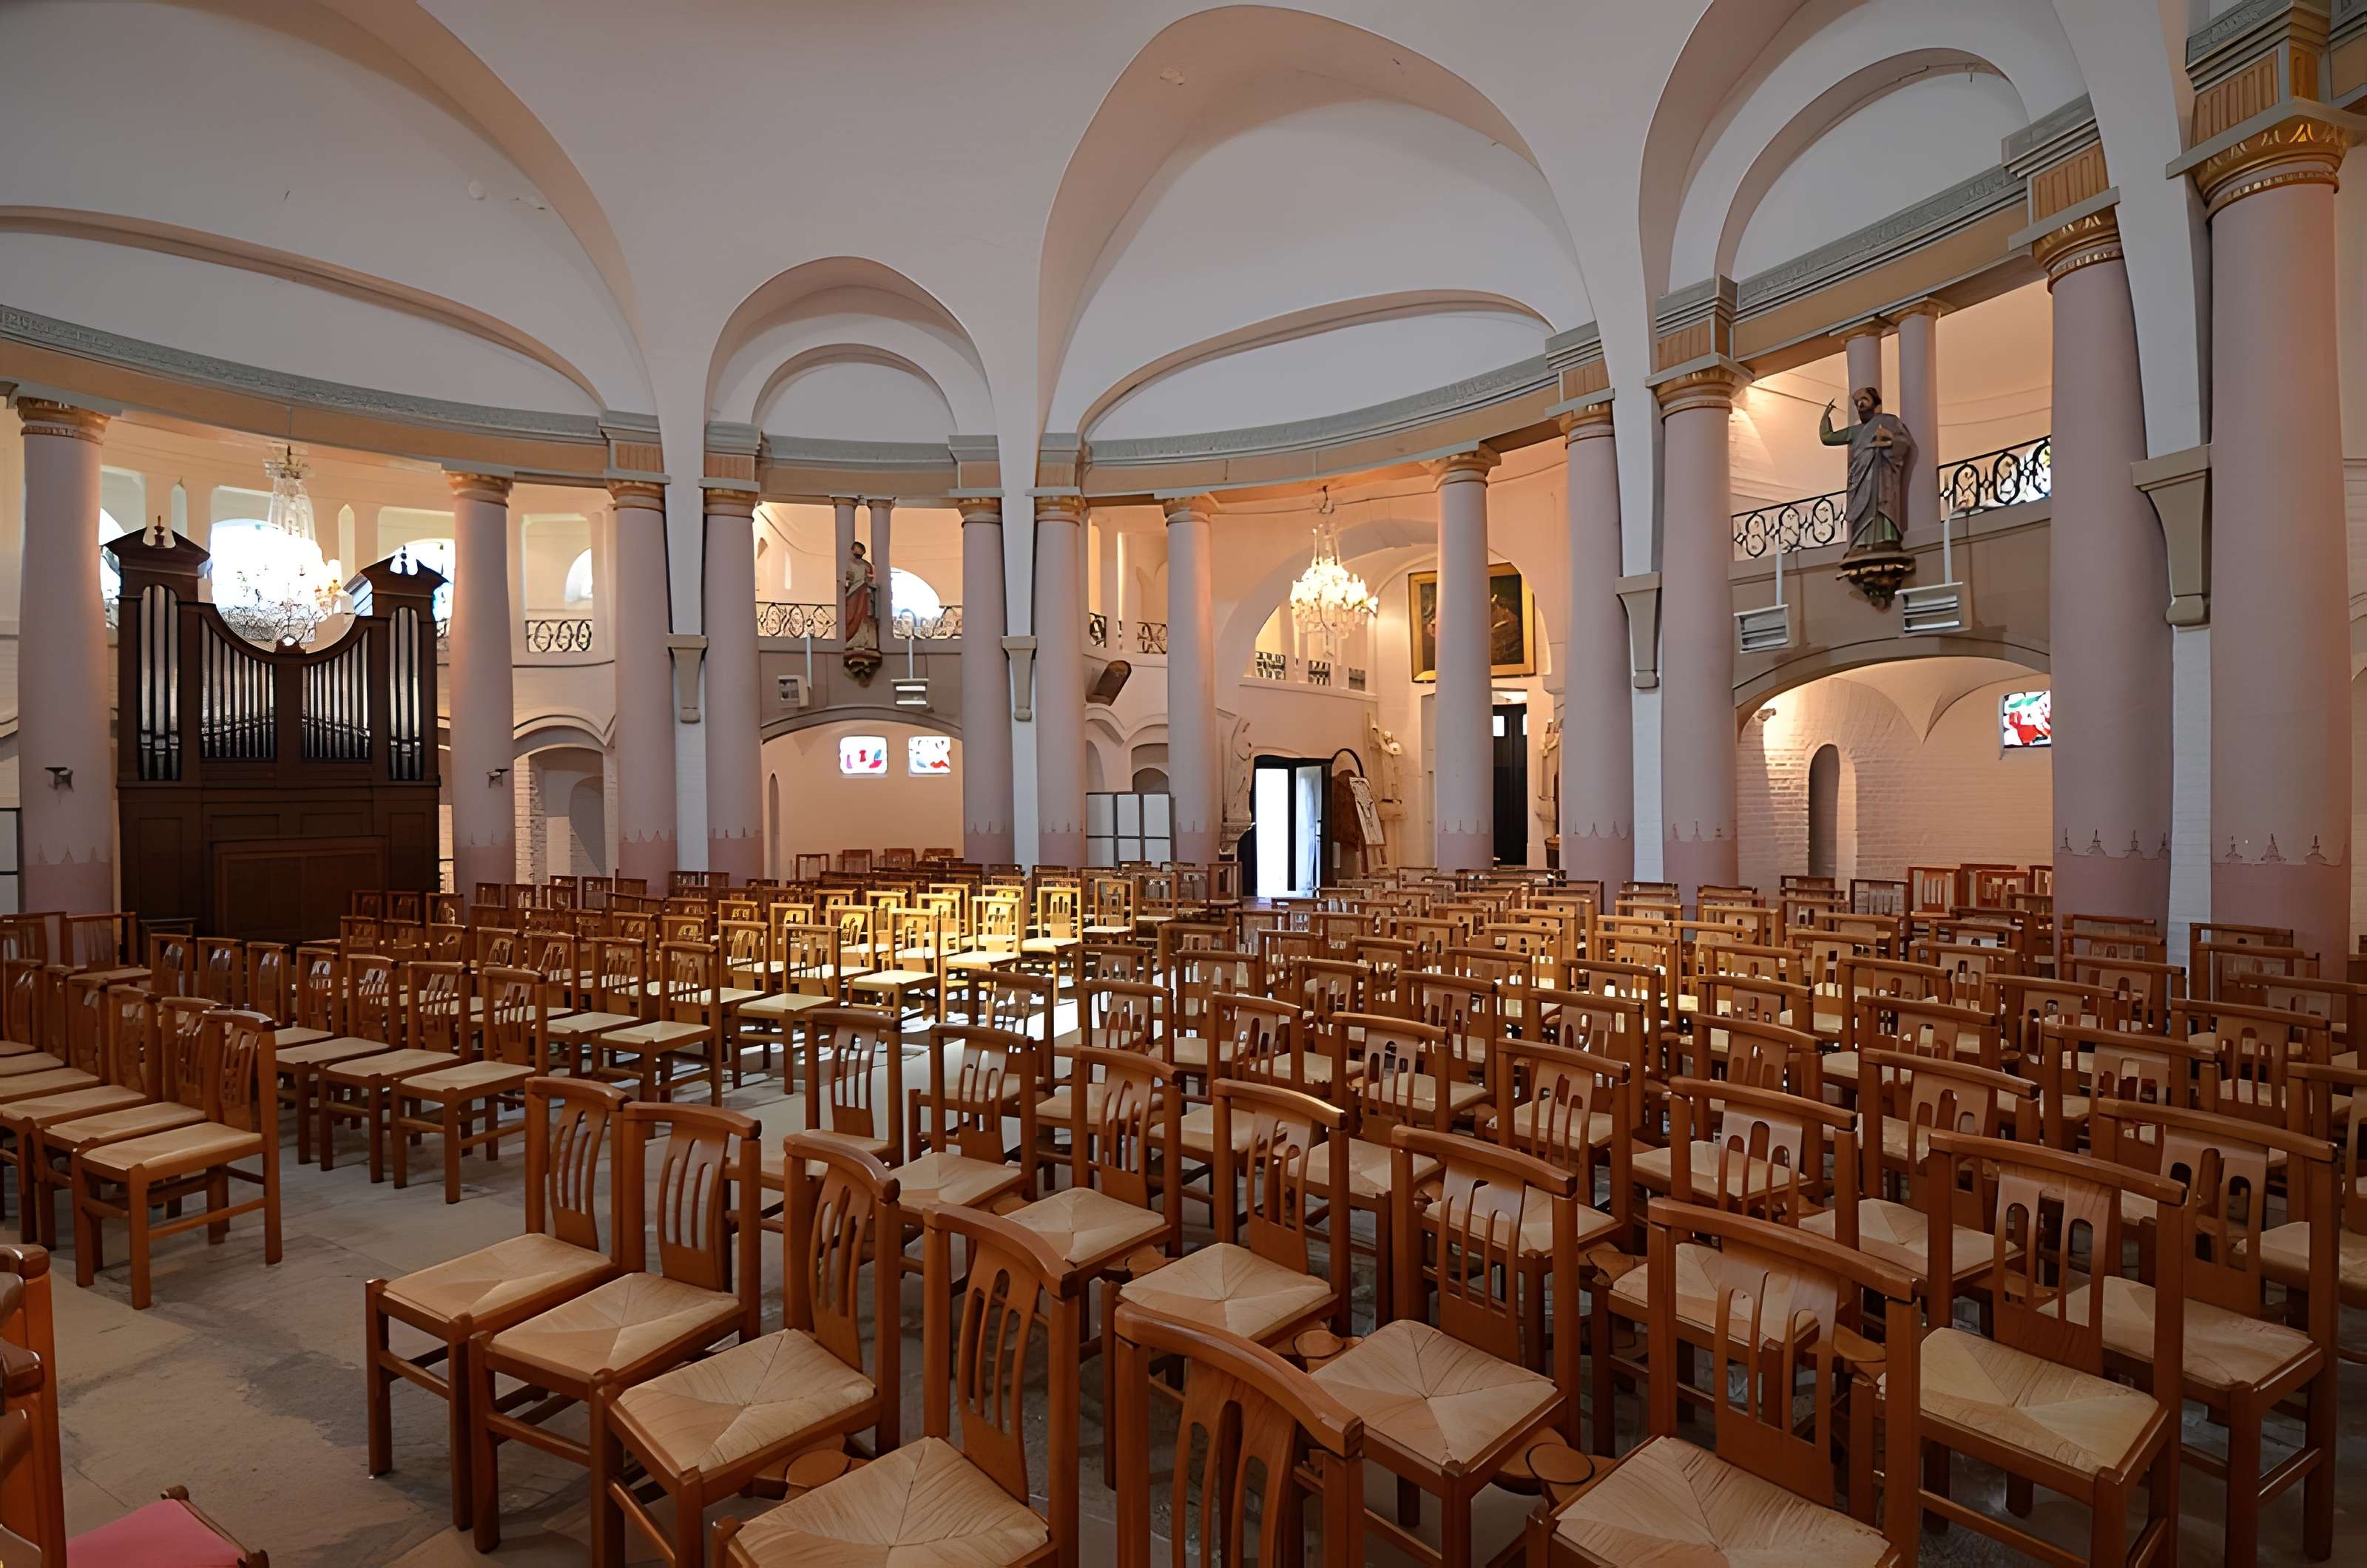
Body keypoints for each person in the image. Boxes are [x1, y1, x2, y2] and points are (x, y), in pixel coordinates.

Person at [1818, 385, 1914, 553]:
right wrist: (1826, 417)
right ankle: (1861, 543)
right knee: (1863, 510)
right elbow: (1828, 438)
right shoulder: (1856, 431)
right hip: (1860, 477)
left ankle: (1887, 538)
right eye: (1858, 402)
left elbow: (1903, 442)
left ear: (1876, 404)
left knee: (1882, 503)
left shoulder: (1889, 421)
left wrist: (1888, 441)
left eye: (1865, 399)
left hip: (1882, 474)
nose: (1860, 404)